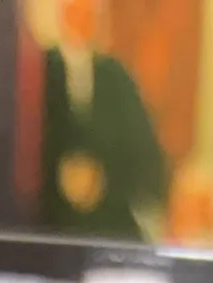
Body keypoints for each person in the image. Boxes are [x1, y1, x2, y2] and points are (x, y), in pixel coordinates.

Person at [22, 0, 169, 241]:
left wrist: (101, 178)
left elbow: (138, 145)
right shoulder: (40, 70)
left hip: (106, 212)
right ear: (64, 15)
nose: (83, 20)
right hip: (51, 216)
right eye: (77, 11)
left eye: (90, 14)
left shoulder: (115, 76)